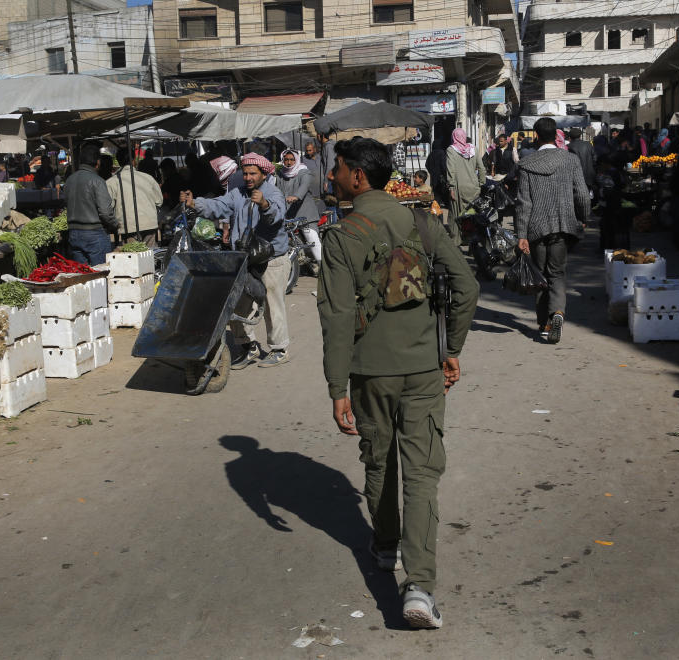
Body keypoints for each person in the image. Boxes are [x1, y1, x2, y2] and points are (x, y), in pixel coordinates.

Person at [317, 136, 479, 629]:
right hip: (424, 370)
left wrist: (336, 387)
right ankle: (420, 589)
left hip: (370, 374)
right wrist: (451, 351)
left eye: (337, 169)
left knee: (379, 459)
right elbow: (467, 288)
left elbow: (338, 317)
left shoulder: (343, 236)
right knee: (422, 474)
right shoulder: (424, 222)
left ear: (357, 176)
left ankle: (385, 546)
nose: (331, 177)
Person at [180, 153, 291, 367]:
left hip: (271, 258)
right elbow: (218, 205)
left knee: (271, 304)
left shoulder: (273, 193)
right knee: (236, 303)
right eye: (245, 173)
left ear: (264, 173)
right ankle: (248, 346)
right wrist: (195, 203)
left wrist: (265, 205)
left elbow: (276, 215)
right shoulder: (237, 193)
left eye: (252, 174)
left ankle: (279, 349)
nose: (248, 177)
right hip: (244, 258)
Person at [515, 117, 590, 344]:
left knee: (540, 277)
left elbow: (523, 203)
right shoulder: (570, 160)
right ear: (556, 135)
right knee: (556, 273)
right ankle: (558, 312)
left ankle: (545, 324)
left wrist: (521, 235)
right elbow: (582, 194)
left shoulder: (527, 163)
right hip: (562, 226)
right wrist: (583, 218)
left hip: (536, 228)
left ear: (536, 136)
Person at [64, 142, 117, 266]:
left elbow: (66, 203)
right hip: (94, 234)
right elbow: (106, 212)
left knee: (83, 277)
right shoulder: (97, 181)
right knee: (100, 275)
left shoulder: (69, 180)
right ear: (98, 163)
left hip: (74, 234)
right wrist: (115, 224)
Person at [107, 148, 164, 247]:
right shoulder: (148, 178)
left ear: (118, 162)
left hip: (128, 227)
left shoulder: (112, 182)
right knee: (150, 257)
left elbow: (108, 207)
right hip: (149, 223)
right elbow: (159, 201)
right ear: (133, 160)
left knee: (134, 259)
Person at [445, 127, 485, 246]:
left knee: (456, 215)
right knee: (472, 215)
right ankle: (473, 241)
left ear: (454, 137)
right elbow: (482, 169)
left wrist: (451, 187)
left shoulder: (451, 150)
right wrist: (481, 184)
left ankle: (457, 241)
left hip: (458, 187)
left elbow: (450, 170)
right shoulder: (474, 149)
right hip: (473, 188)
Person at [274, 149, 318, 222]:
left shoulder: (304, 172)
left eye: (292, 160)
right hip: (286, 214)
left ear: (296, 160)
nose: (289, 162)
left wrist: (296, 196)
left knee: (310, 233)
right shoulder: (280, 174)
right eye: (286, 159)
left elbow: (305, 185)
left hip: (305, 214)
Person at [567, 127, 596, 191]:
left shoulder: (568, 147)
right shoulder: (588, 145)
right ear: (580, 135)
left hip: (576, 177)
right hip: (589, 176)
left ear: (570, 136)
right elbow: (595, 159)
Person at [425, 138, 448, 205]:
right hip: (440, 176)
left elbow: (426, 164)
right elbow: (444, 166)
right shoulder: (441, 153)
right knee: (442, 190)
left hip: (433, 176)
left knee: (435, 191)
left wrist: (431, 171)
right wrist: (445, 174)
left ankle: (436, 204)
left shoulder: (431, 154)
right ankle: (440, 204)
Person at [317, 133, 337, 197]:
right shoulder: (326, 146)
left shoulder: (329, 146)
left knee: (330, 201)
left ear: (321, 136)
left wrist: (326, 181)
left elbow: (330, 165)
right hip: (330, 178)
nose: (316, 137)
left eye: (317, 134)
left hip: (330, 179)